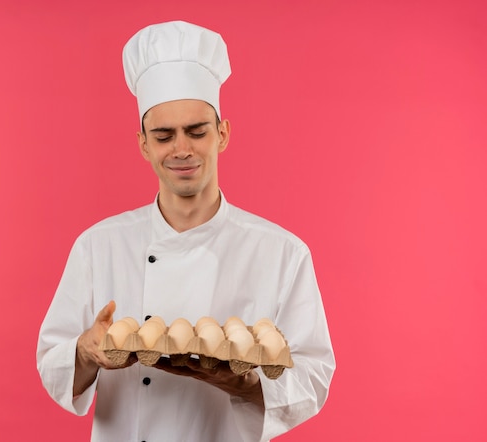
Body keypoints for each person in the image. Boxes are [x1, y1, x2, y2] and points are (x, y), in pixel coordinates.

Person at [37, 20, 335, 441]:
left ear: (223, 134)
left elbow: (315, 375)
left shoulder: (282, 252)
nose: (182, 149)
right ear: (143, 143)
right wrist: (86, 351)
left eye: (197, 131)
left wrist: (248, 386)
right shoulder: (98, 246)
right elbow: (53, 363)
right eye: (163, 135)